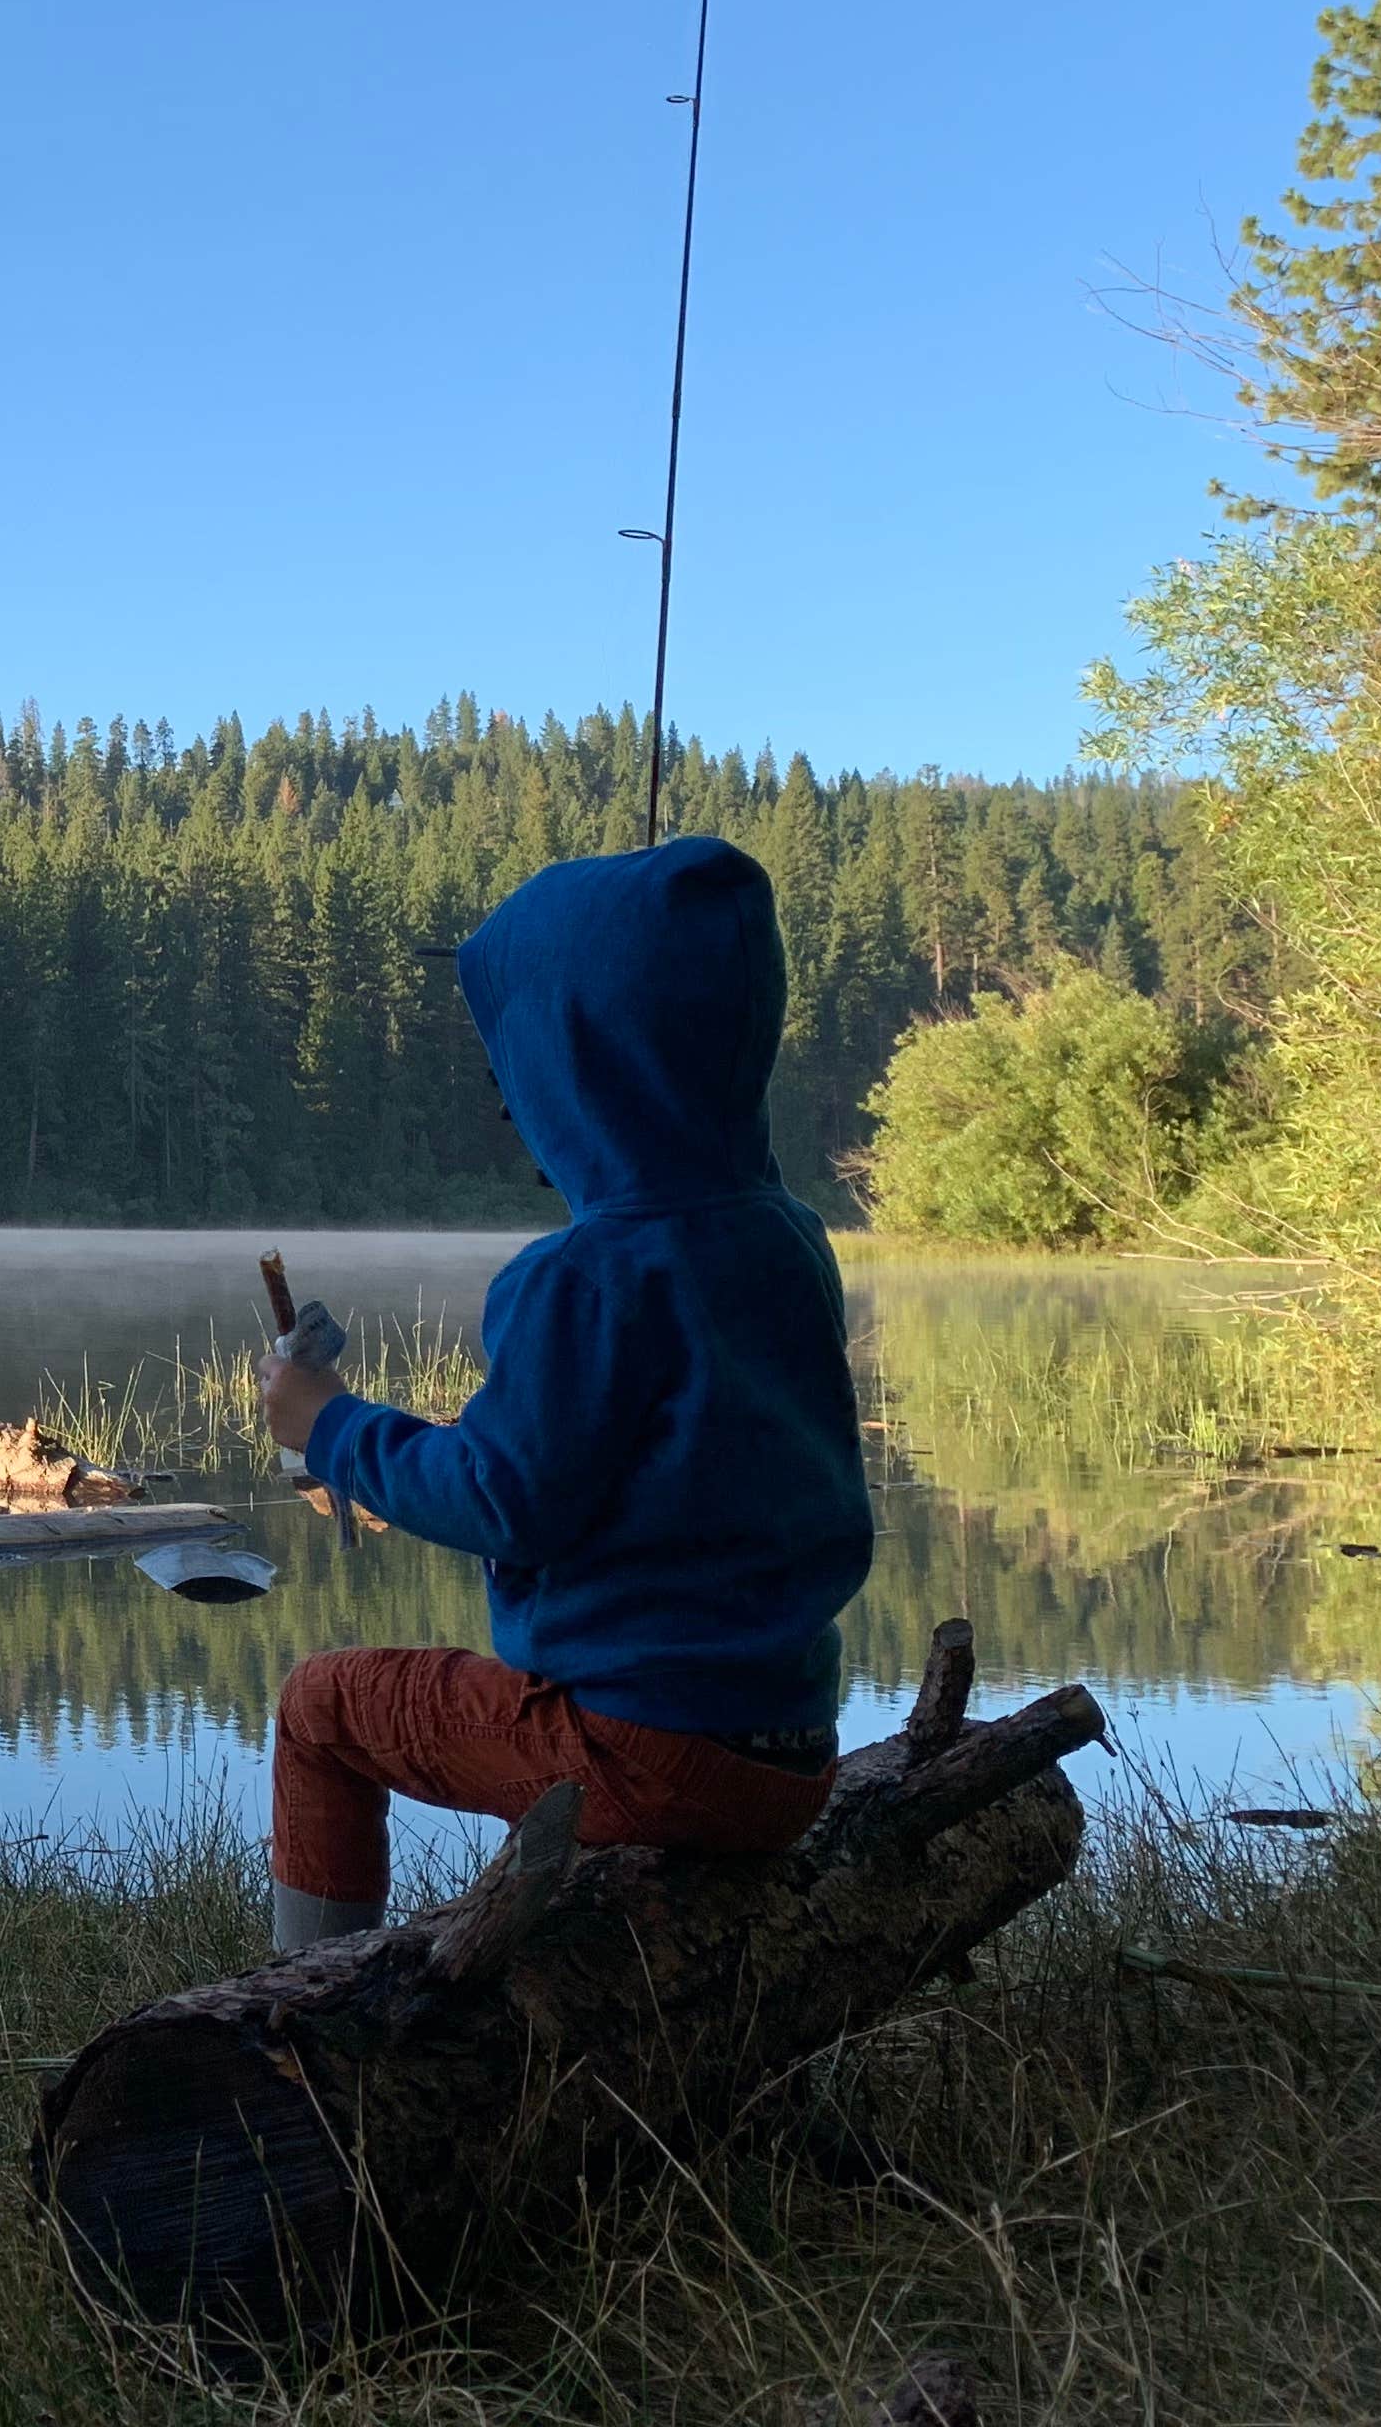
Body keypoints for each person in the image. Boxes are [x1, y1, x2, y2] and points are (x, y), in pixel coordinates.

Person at [257, 835, 871, 1954]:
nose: (506, 1096)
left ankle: (310, 2009)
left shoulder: (584, 1275)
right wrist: (379, 1437)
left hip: (643, 1750)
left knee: (319, 1707)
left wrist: (328, 1426)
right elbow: (628, 1467)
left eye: (511, 1065)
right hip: (792, 1751)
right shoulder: (788, 1241)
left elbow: (508, 1501)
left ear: (572, 1062)